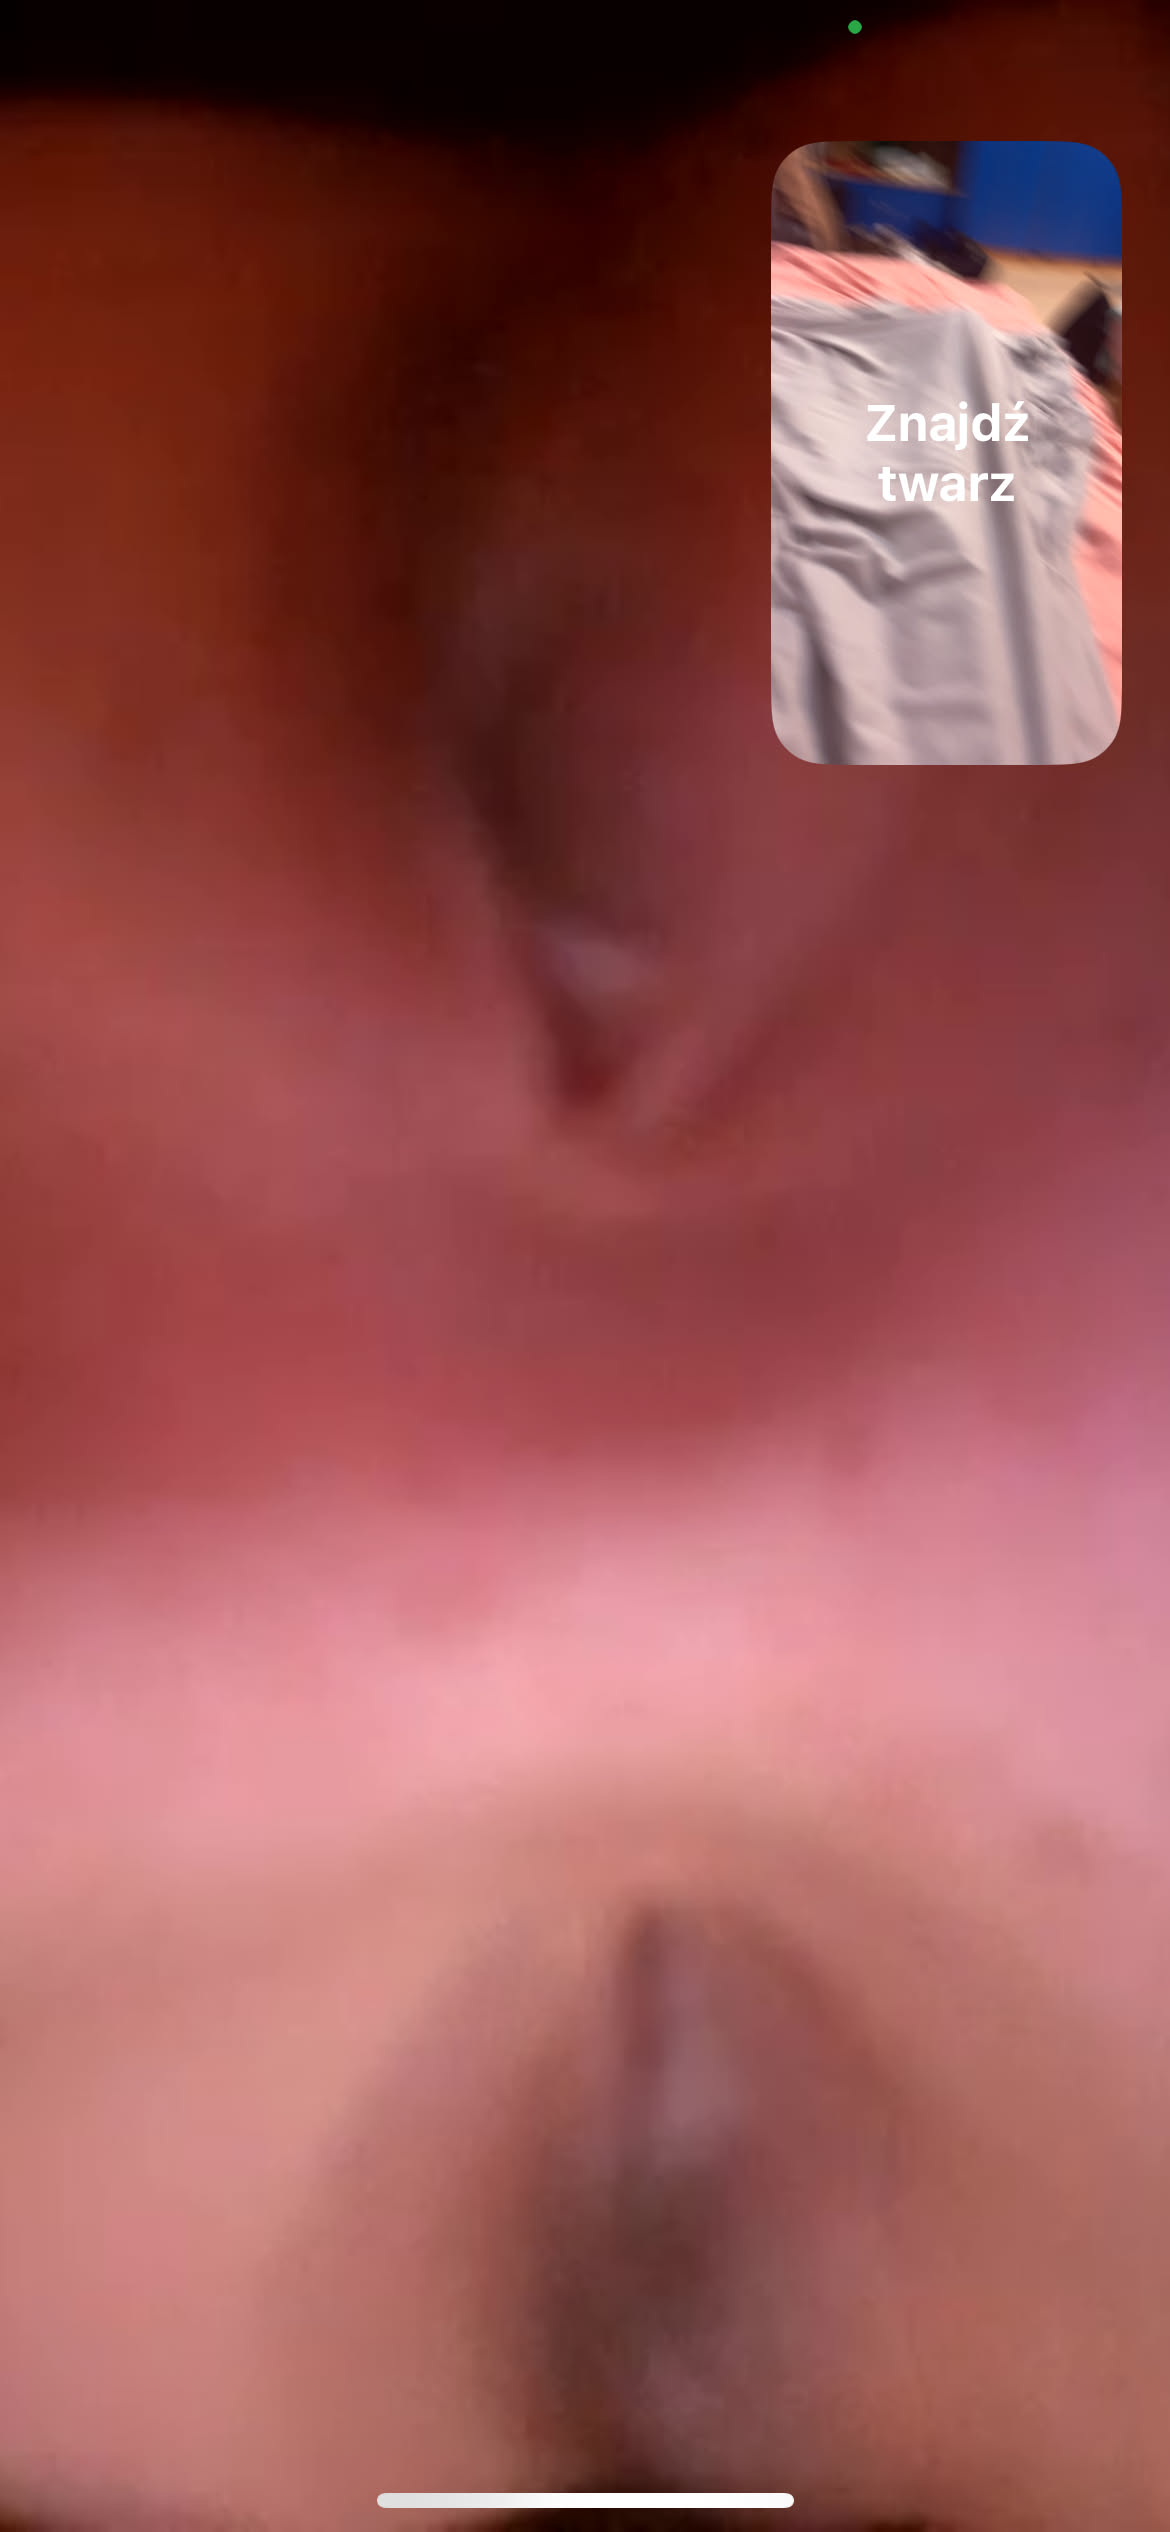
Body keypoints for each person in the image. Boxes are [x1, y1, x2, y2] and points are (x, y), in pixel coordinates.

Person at [0, 5, 1165, 2525]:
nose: (41, 1643)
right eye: (556, 747)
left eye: (655, 2226)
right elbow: (998, 185)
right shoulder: (966, 379)